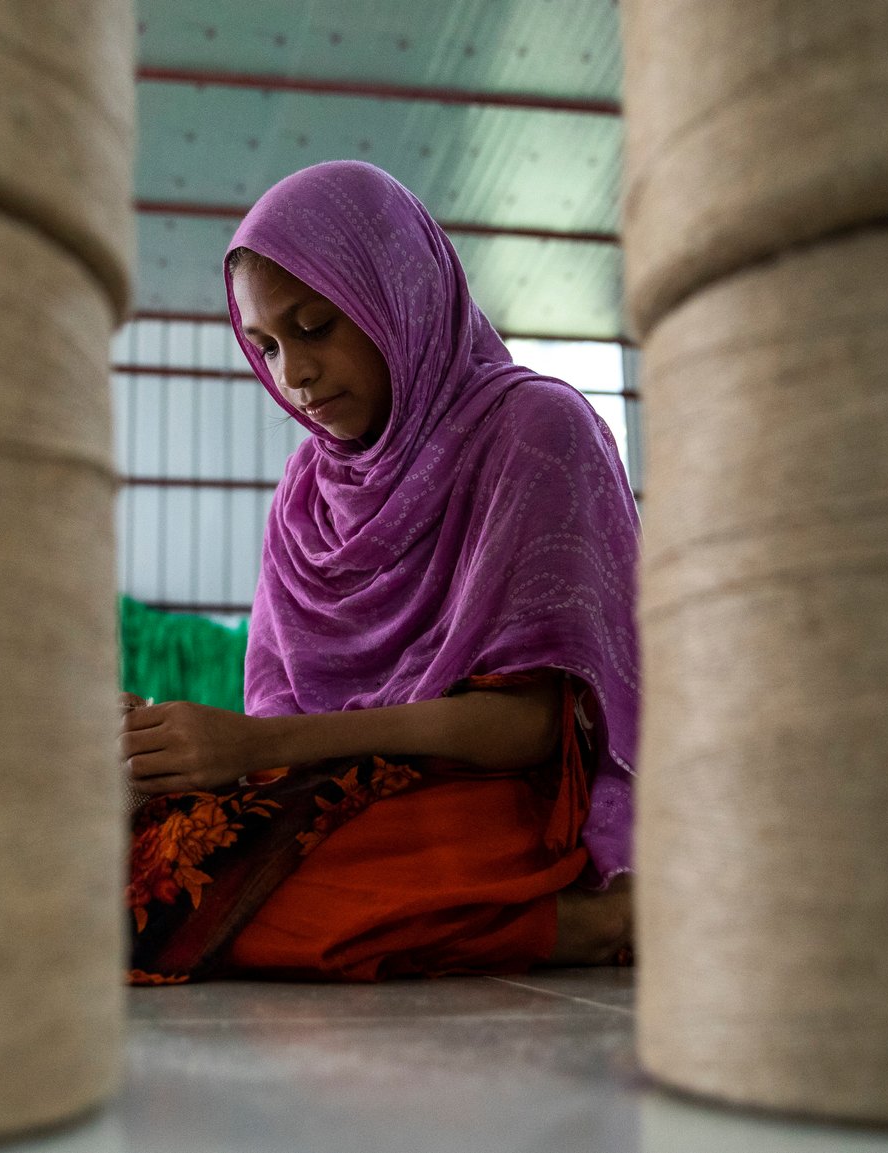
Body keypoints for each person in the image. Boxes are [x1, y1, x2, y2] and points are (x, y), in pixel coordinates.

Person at [122, 160, 639, 984]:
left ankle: (575, 919)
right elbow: (283, 721)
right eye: (266, 346)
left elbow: (532, 728)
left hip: (514, 801)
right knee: (136, 853)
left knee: (206, 892)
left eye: (317, 325)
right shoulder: (305, 497)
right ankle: (502, 921)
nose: (293, 375)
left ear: (397, 295)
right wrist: (152, 755)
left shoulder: (536, 432)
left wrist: (257, 746)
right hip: (352, 796)